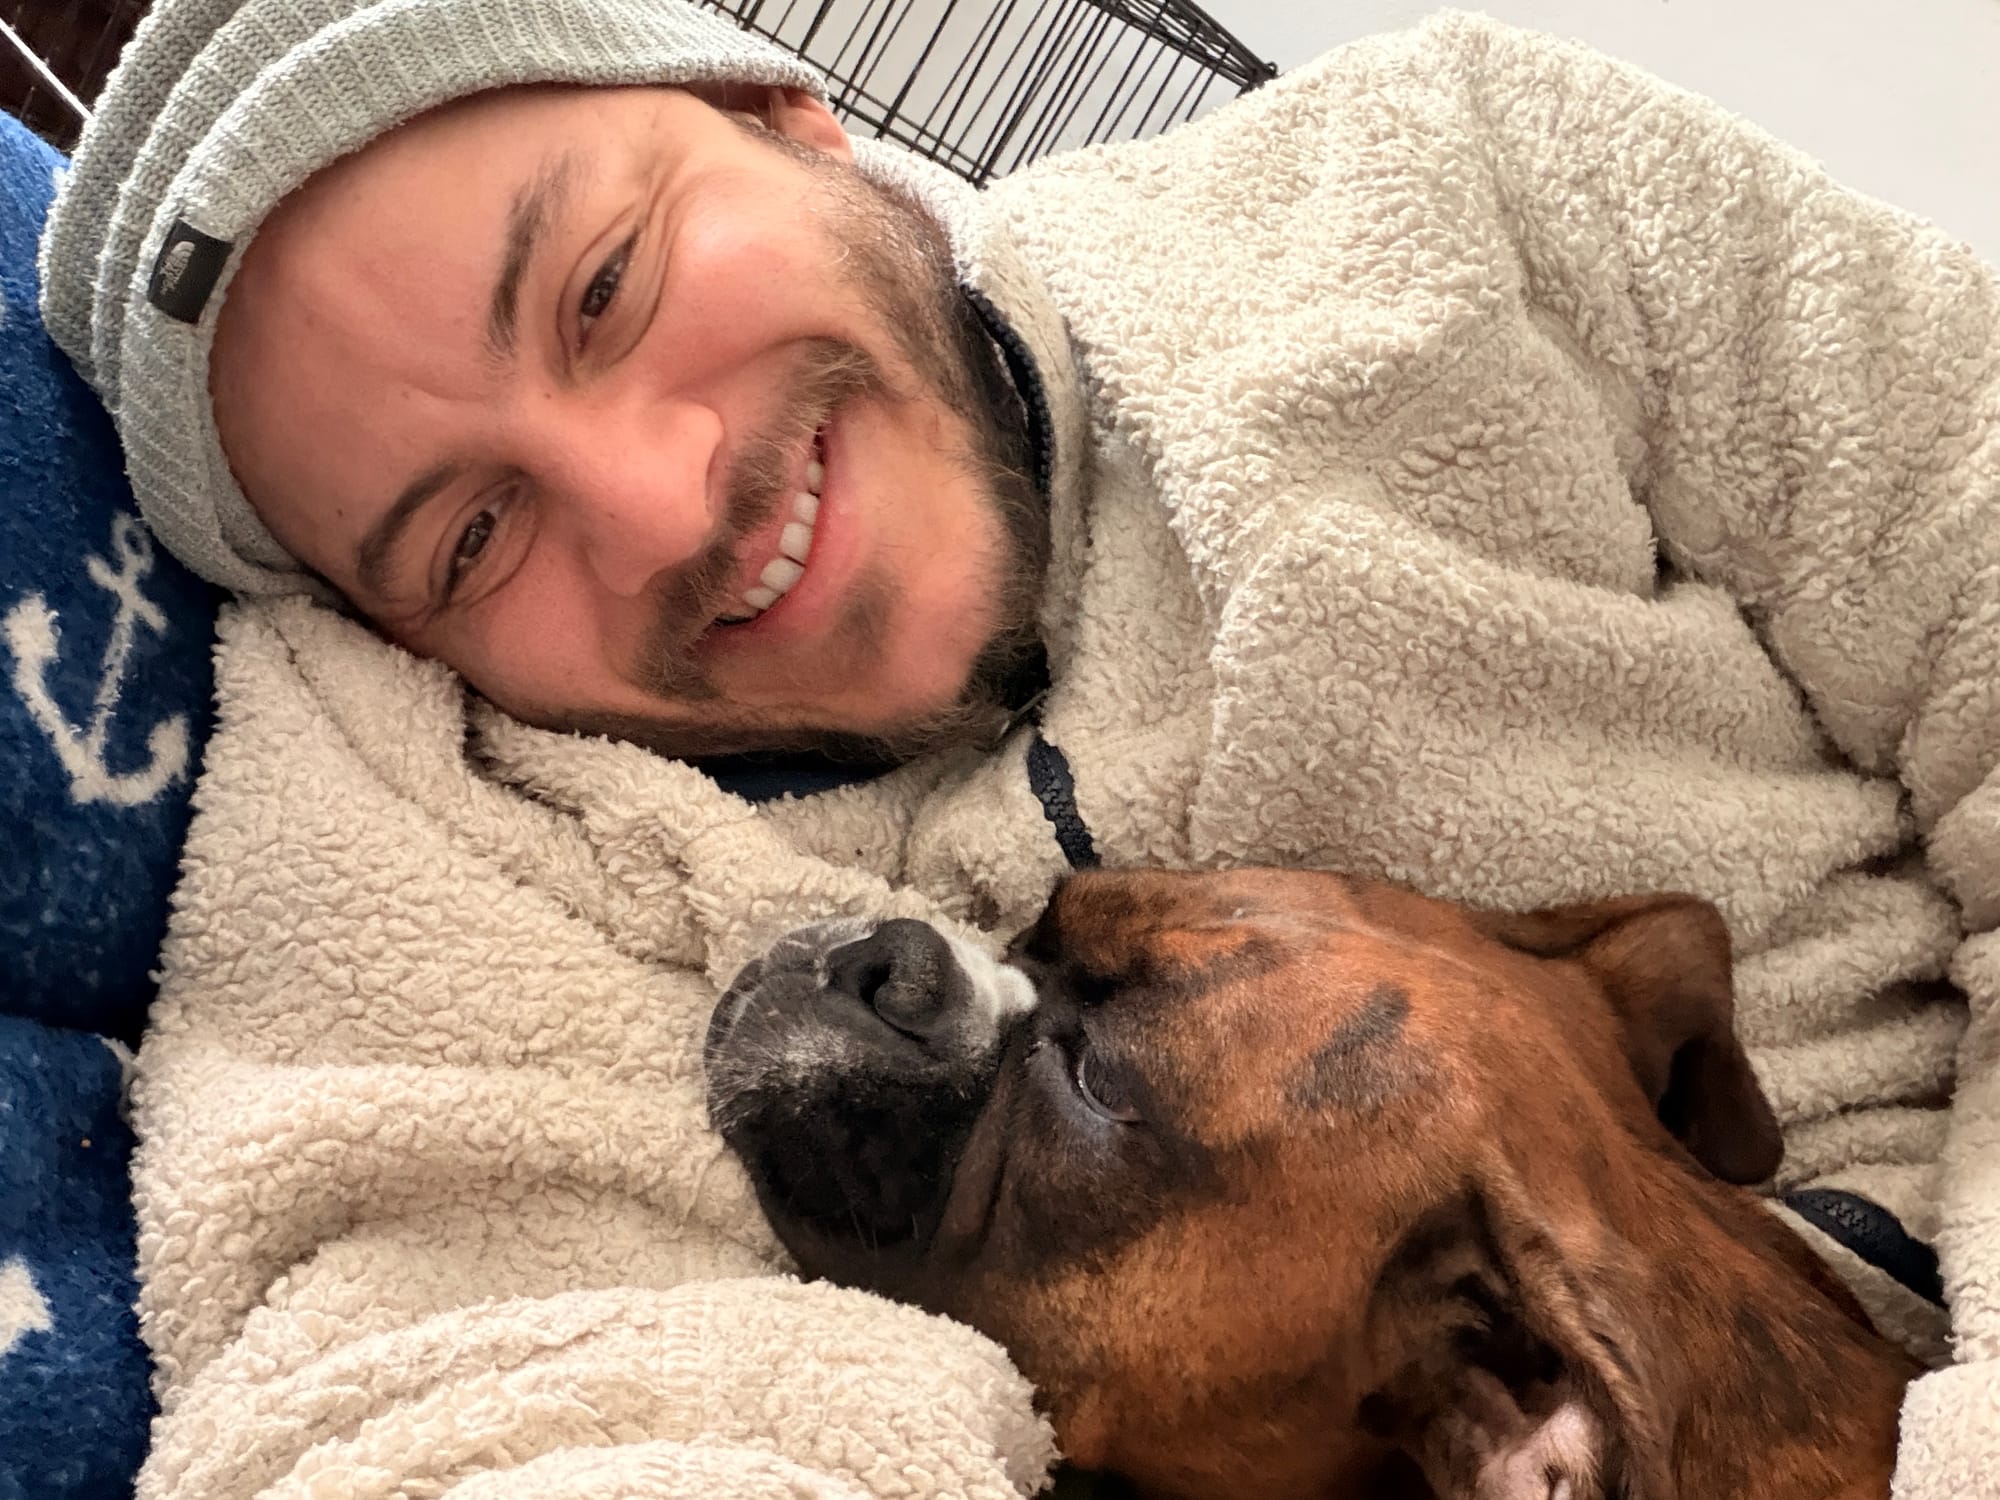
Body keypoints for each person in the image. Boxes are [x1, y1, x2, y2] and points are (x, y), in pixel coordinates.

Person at [37, 1, 2000, 1496]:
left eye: (606, 288)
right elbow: (423, 1406)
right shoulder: (413, 817)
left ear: (789, 116)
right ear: (385, 637)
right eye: (471, 540)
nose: (664, 500)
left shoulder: (1450, 184)